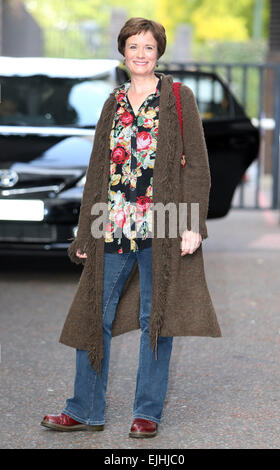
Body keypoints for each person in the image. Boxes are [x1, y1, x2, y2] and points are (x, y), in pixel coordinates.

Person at [41, 17, 221, 438]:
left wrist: (192, 225)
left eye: (149, 47)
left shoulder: (178, 97)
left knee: (155, 319)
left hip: (164, 224)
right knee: (92, 314)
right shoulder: (113, 101)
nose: (141, 54)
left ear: (158, 53)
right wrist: (86, 230)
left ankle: (146, 413)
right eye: (133, 47)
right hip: (112, 221)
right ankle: (85, 409)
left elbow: (197, 165)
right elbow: (97, 170)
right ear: (123, 52)